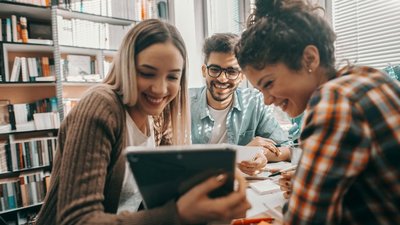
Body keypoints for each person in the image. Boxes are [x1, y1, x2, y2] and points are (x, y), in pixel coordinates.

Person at [36, 19, 250, 225]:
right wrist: (177, 215)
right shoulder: (101, 106)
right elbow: (77, 220)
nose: (160, 89)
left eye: (173, 77)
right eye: (147, 73)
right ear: (126, 68)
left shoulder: (157, 114)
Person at [235, 0, 400, 224]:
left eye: (269, 83)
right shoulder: (369, 77)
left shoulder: (335, 100)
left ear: (309, 59)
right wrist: (309, 179)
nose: (267, 99)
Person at [190, 33, 291, 175]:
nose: (222, 78)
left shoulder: (254, 101)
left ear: (242, 76)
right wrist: (241, 153)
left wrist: (260, 154)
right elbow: (178, 161)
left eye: (231, 71)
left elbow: (287, 148)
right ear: (204, 71)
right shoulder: (183, 105)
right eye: (215, 70)